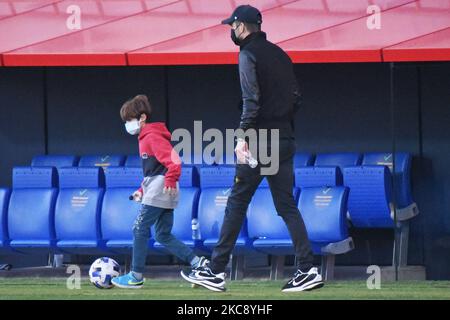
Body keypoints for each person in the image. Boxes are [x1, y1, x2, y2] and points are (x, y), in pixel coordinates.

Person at [181, 5, 323, 293]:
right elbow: (296, 98)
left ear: (242, 26)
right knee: (286, 206)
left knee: (237, 201)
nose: (231, 31)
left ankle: (216, 271)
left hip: (261, 139)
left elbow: (252, 100)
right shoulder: (281, 54)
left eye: (232, 27)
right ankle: (308, 269)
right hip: (285, 137)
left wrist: (242, 136)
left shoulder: (247, 54)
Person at [112, 94, 207, 289]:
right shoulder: (146, 138)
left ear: (143, 117)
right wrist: (141, 190)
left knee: (139, 228)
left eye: (130, 119)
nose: (128, 124)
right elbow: (154, 170)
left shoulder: (152, 137)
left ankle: (135, 276)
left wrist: (170, 180)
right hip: (159, 187)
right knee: (163, 234)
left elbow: (174, 162)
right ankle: (200, 264)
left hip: (162, 187)